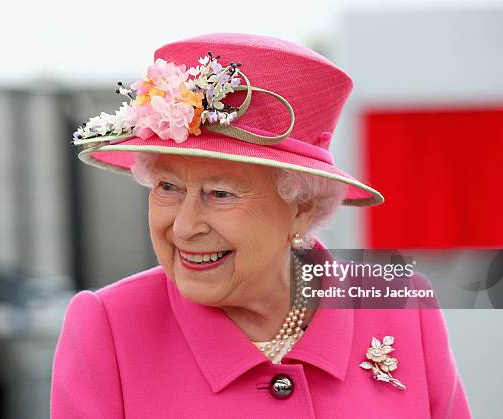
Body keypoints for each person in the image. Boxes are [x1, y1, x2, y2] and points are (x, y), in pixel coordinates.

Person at [50, 32, 472, 418]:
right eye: (167, 186)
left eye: (221, 193)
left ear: (302, 207)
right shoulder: (109, 327)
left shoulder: (402, 308)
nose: (184, 227)